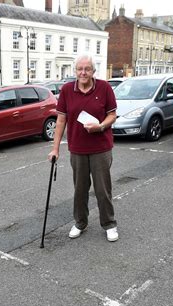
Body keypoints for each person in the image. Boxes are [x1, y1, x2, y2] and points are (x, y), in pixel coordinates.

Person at [48, 54, 119, 242]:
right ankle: (80, 222)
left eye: (87, 69)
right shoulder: (66, 90)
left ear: (93, 71)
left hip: (101, 148)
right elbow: (61, 120)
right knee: (80, 189)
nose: (83, 72)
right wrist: (55, 149)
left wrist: (101, 126)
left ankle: (109, 224)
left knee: (103, 189)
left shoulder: (104, 88)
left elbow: (112, 115)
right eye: (80, 69)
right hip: (77, 148)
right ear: (75, 71)